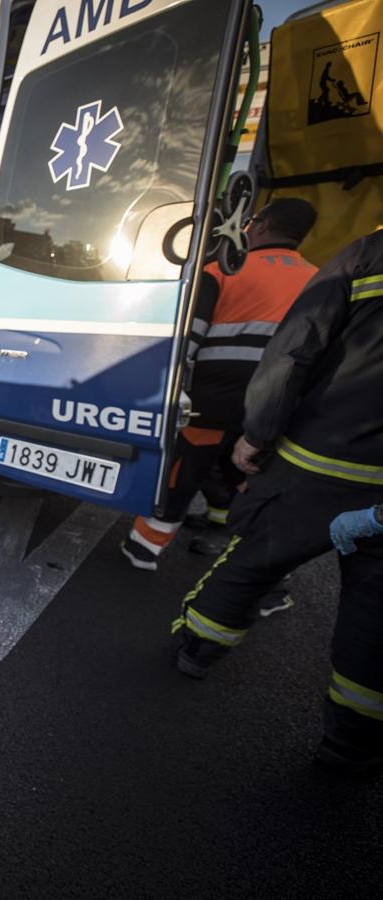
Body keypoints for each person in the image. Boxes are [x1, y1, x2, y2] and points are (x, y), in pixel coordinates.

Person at [170, 229, 383, 774]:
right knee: (374, 616)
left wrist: (258, 433)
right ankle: (350, 745)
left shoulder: (365, 254)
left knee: (252, 561)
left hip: (316, 462)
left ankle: (198, 649)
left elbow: (296, 347)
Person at [122, 198, 318, 571]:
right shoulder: (320, 278)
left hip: (210, 405)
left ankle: (143, 550)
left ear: (260, 226)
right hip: (271, 410)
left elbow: (188, 342)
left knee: (180, 476)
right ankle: (228, 535)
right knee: (239, 473)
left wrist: (165, 390)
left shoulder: (225, 270)